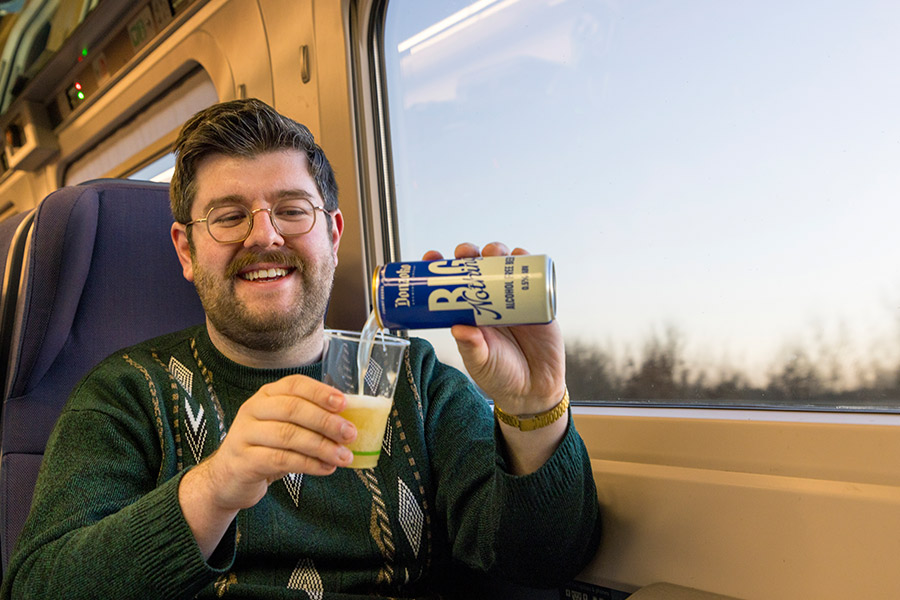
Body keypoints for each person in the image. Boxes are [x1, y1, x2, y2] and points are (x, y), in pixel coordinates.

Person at [0, 99, 601, 599]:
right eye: (229, 216)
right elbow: (37, 588)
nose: (265, 235)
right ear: (185, 252)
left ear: (333, 236)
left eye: (291, 210)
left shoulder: (416, 380)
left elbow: (538, 563)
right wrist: (215, 487)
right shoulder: (126, 392)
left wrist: (534, 409)